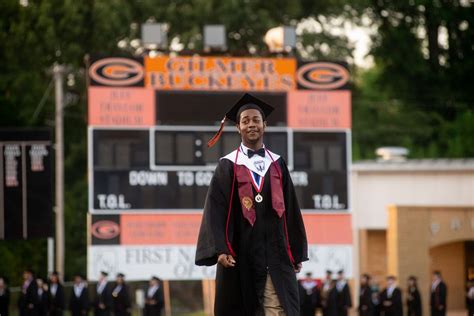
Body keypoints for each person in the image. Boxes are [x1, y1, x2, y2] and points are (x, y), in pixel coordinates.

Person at [195, 93, 308, 315]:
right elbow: (215, 210)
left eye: (256, 119)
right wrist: (221, 248)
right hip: (241, 255)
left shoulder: (277, 164)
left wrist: (295, 250)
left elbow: (291, 209)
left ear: (264, 124)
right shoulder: (228, 165)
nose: (251, 125)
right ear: (238, 128)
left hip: (274, 253)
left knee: (280, 308)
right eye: (245, 121)